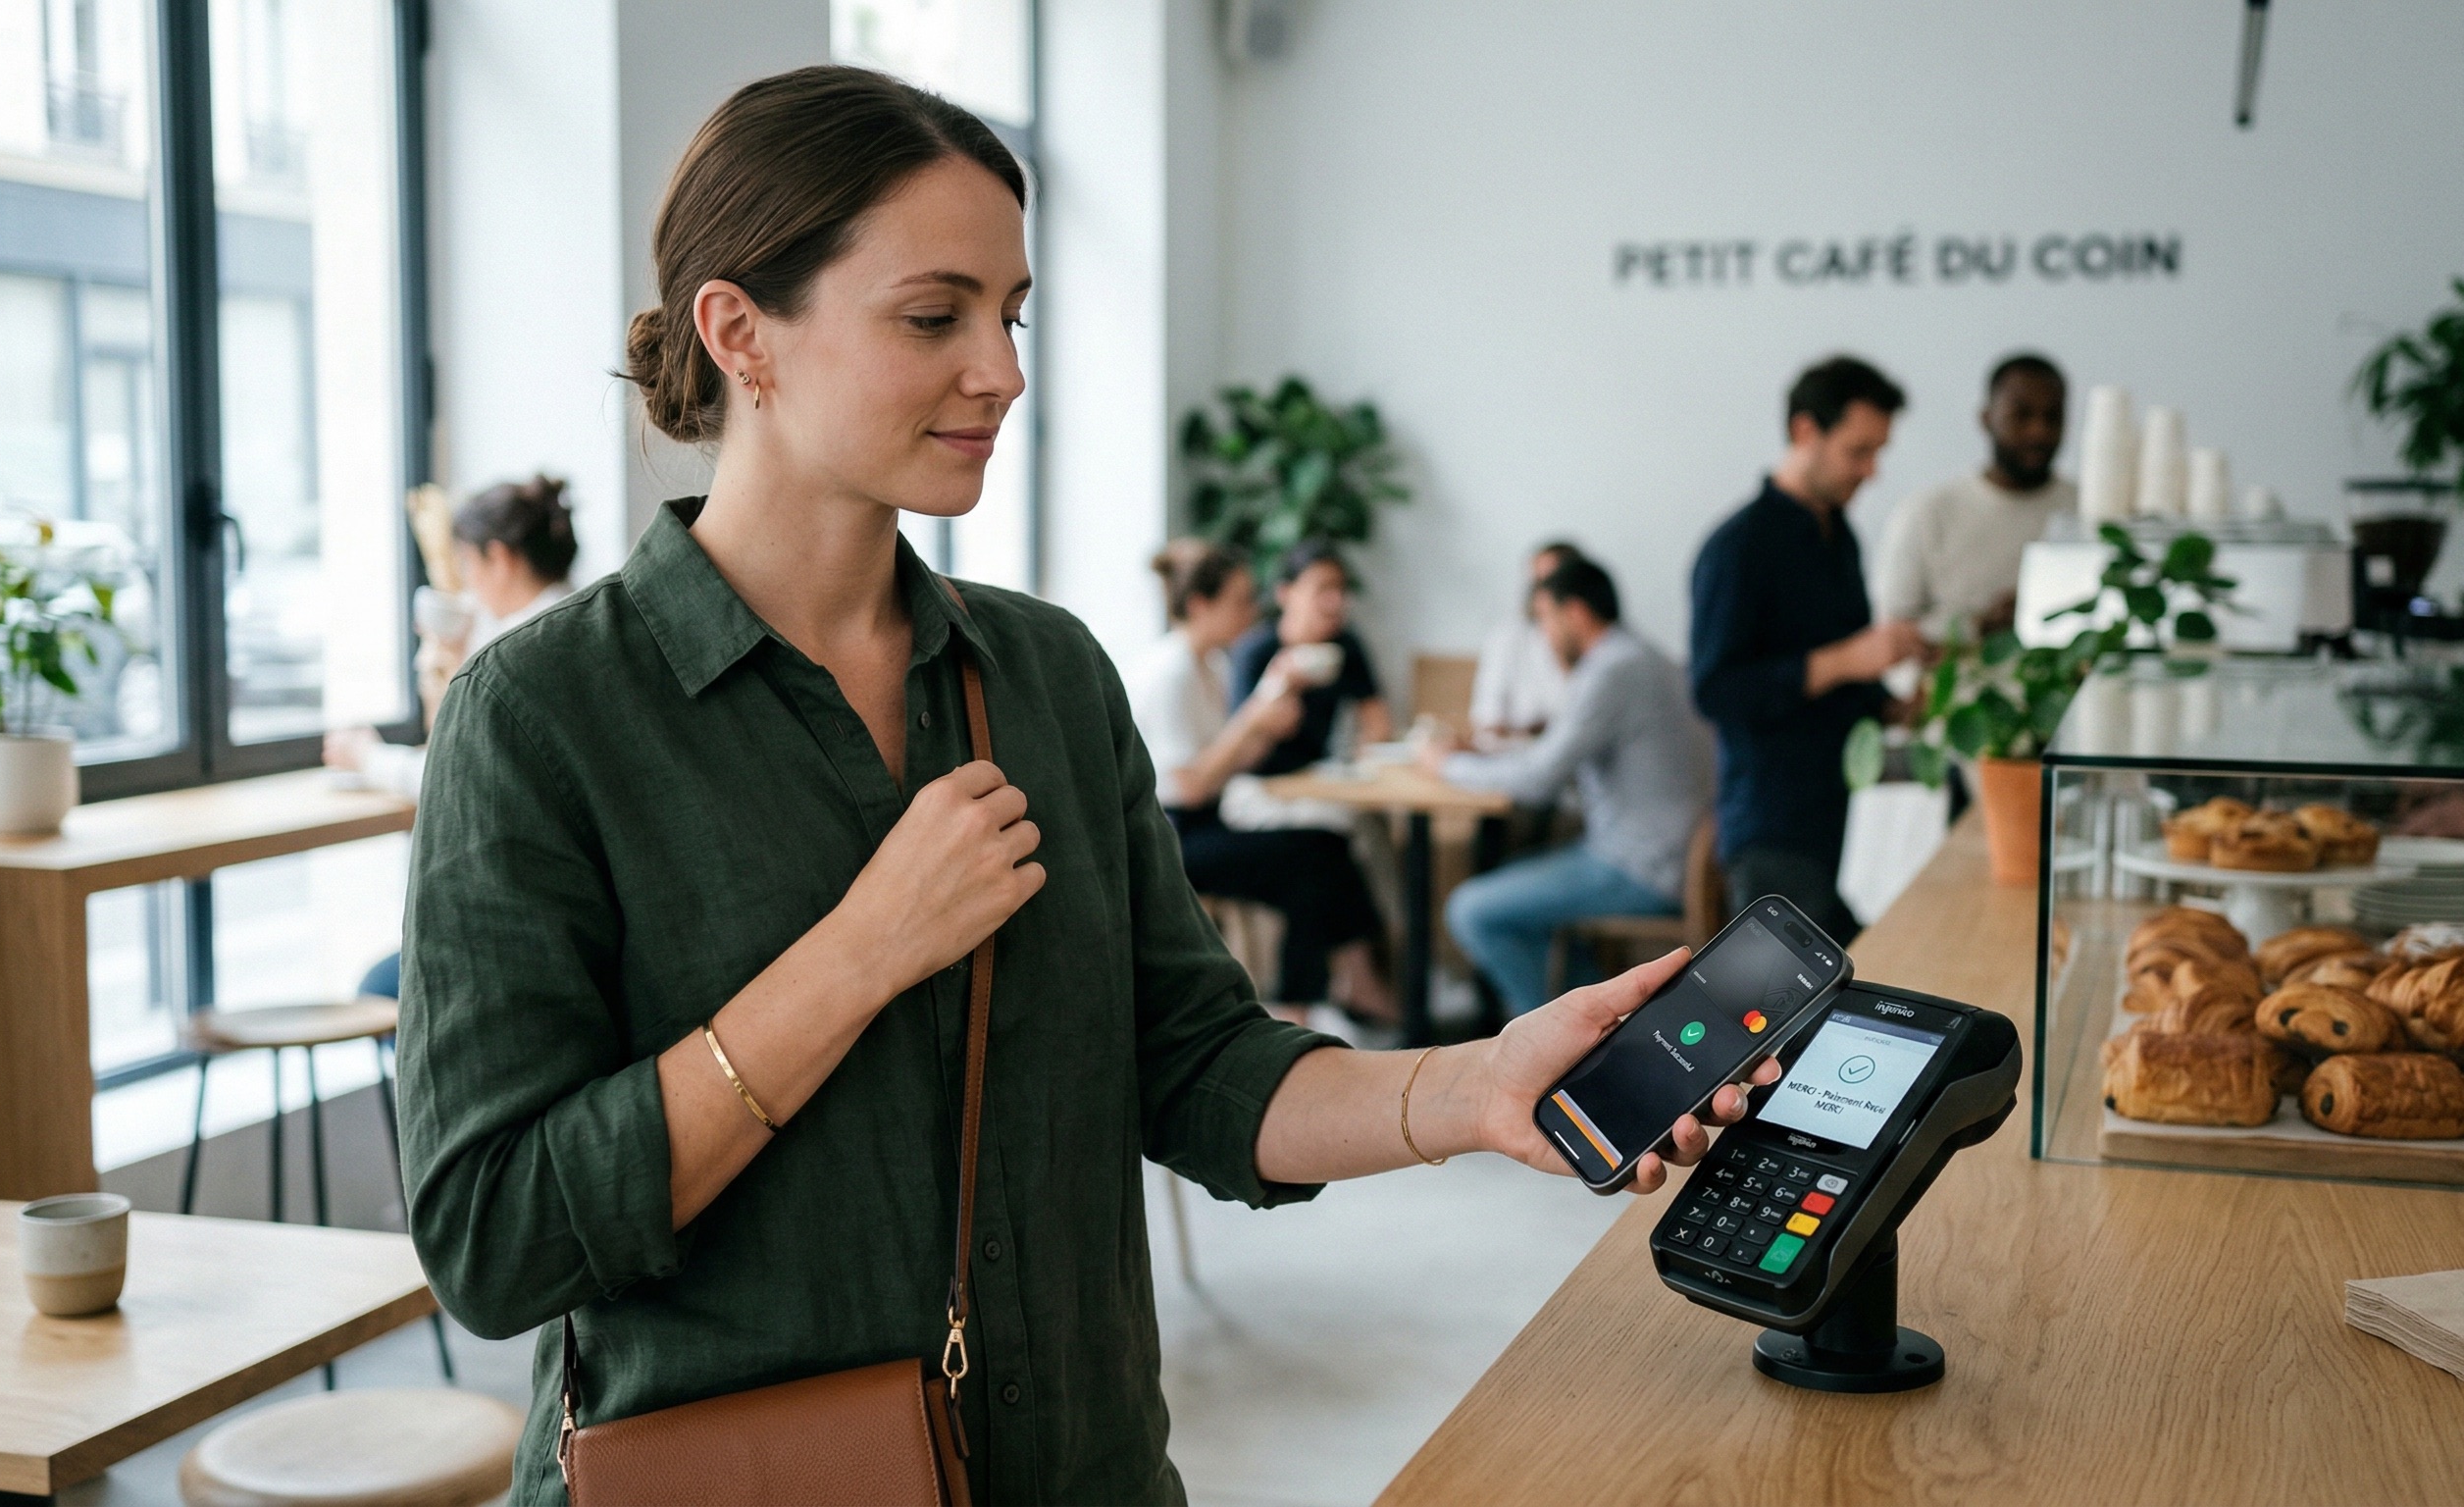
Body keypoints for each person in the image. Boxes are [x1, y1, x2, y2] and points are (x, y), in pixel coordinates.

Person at [394, 67, 1769, 1507]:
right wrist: (860, 953)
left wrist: (1474, 1086)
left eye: (1011, 312)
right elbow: (495, 1240)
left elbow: (1192, 1064)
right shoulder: (543, 717)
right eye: (934, 316)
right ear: (740, 333)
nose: (1000, 369)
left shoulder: (1042, 677)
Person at [1690, 355, 1924, 947]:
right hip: (1775, 826)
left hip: (1850, 817)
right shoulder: (1737, 547)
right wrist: (1850, 658)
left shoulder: (1839, 533)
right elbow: (1716, 691)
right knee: (1783, 1026)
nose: (1870, 471)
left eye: (1878, 452)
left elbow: (1847, 677)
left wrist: (1897, 706)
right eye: (1858, 451)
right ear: (1804, 432)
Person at [328, 475, 579, 1000]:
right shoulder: (581, 623)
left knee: (379, 986)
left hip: (523, 920)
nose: (465, 583)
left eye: (467, 565)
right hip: (569, 906)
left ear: (500, 559)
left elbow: (452, 775)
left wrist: (368, 756)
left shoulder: (514, 653)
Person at [1126, 539, 1397, 1024]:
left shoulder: (1211, 664)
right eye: (1240, 601)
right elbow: (1188, 786)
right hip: (1170, 835)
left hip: (1209, 819)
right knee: (1317, 855)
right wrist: (1253, 720)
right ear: (1200, 605)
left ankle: (1314, 997)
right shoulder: (1171, 672)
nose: (1253, 611)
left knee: (1324, 848)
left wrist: (1267, 728)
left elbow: (1226, 763)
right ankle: (1310, 1001)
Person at [1431, 558, 1714, 1015]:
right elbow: (1552, 755)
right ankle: (1599, 1026)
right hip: (1670, 855)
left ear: (1575, 613)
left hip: (1640, 867)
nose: (1542, 634)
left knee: (1471, 909)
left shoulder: (1612, 671)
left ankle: (1565, 1046)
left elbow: (1540, 779)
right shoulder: (1643, 657)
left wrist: (1448, 765)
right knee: (1517, 885)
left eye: (1544, 617)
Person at [1874, 353, 2075, 641]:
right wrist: (1979, 625)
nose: (2038, 432)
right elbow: (1890, 633)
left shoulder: (2089, 512)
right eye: (2022, 415)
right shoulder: (1927, 513)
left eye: (2052, 417)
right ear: (1987, 419)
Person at [1228, 539, 1394, 772]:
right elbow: (1239, 753)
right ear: (1285, 593)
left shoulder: (1345, 647)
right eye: (1323, 588)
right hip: (1258, 784)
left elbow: (1378, 725)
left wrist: (1360, 764)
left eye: (1340, 589)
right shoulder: (1255, 651)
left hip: (1317, 776)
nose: (1335, 601)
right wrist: (1280, 684)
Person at [1470, 540, 1585, 740]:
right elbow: (1487, 721)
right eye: (1537, 584)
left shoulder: (1601, 648)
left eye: (1551, 583)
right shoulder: (1507, 638)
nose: (1542, 593)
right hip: (1515, 757)